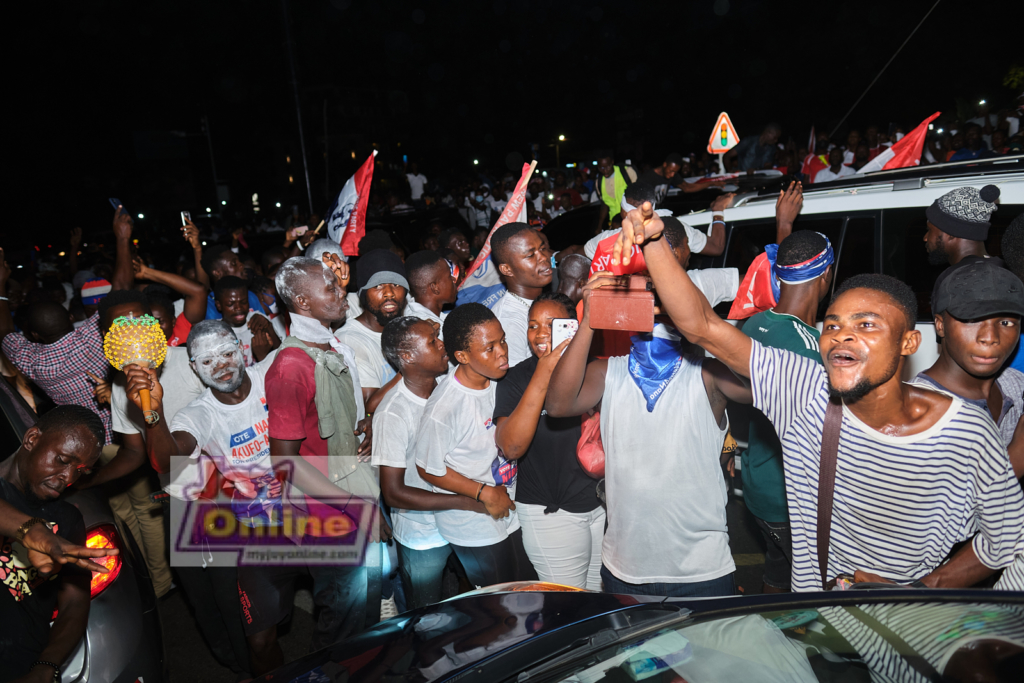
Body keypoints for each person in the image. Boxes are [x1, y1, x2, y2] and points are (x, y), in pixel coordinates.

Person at [610, 202, 1024, 591]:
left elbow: (1005, 539)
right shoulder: (803, 390)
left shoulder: (965, 430)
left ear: (909, 342)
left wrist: (925, 589)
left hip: (909, 632)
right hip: (821, 618)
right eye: (833, 325)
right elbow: (701, 326)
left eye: (866, 325)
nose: (843, 334)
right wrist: (653, 246)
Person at [546, 264, 751, 596]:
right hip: (625, 565)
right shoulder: (608, 371)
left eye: (658, 298)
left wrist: (700, 324)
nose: (650, 308)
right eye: (639, 298)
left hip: (700, 569)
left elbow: (762, 386)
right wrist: (589, 318)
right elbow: (557, 405)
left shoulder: (706, 374)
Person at [252, 256, 378, 673]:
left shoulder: (330, 343)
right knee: (342, 619)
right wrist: (355, 507)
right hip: (328, 514)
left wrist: (365, 426)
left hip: (351, 493)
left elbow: (337, 421)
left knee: (362, 614)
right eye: (331, 288)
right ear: (302, 301)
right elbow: (285, 464)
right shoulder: (290, 366)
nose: (342, 292)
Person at [374, 317, 497, 608]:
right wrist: (468, 501)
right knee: (426, 615)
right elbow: (393, 492)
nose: (442, 345)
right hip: (423, 532)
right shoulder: (393, 412)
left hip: (462, 522)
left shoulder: (448, 387)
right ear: (407, 356)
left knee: (473, 601)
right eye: (432, 342)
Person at [739, 231, 835, 594]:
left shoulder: (755, 324)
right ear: (825, 277)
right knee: (815, 596)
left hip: (757, 491)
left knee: (778, 575)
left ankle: (770, 642)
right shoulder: (814, 348)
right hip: (792, 500)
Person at [414, 303, 535, 587]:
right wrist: (483, 494)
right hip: (471, 519)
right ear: (462, 356)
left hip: (508, 507)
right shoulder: (445, 409)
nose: (502, 351)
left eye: (502, 340)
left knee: (527, 587)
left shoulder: (500, 380)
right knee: (500, 600)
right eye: (489, 348)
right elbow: (428, 469)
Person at [494, 293, 605, 589]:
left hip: (600, 506)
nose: (540, 333)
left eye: (552, 324)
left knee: (599, 599)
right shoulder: (515, 379)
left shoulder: (596, 369)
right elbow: (511, 447)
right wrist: (544, 370)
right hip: (551, 513)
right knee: (569, 606)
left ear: (574, 326)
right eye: (533, 325)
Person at [0, 406, 107, 680]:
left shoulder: (66, 518)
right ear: (32, 439)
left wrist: (47, 666)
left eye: (81, 471)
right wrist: (31, 530)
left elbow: (75, 600)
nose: (69, 478)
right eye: (62, 459)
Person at [911, 260, 1024, 477]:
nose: (989, 338)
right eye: (972, 320)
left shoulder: (1015, 385)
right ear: (940, 325)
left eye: (1006, 323)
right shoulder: (914, 413)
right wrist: (1017, 457)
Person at [335, 249, 409, 403]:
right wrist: (415, 367)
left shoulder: (412, 330)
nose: (389, 293)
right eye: (378, 286)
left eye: (396, 284)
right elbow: (369, 404)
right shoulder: (349, 340)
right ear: (363, 294)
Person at [488, 223, 553, 367]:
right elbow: (518, 386)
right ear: (507, 269)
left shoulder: (545, 300)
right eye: (530, 255)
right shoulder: (508, 324)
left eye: (543, 248)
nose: (544, 257)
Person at [213, 276, 282, 365]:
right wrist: (261, 356)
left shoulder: (256, 319)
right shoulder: (215, 332)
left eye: (244, 302)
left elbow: (281, 353)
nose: (239, 308)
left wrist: (269, 328)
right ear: (219, 305)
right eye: (230, 304)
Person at [200, 245, 266, 320]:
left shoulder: (250, 296)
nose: (242, 265)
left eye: (244, 302)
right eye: (234, 263)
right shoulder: (206, 306)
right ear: (218, 273)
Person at [404, 250, 457, 333]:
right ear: (435, 287)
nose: (454, 279)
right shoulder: (426, 331)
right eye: (449, 276)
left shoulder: (412, 315)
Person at [638, 153, 724, 202]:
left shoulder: (673, 175)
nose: (672, 175)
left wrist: (712, 183)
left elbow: (687, 187)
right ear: (664, 165)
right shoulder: (647, 178)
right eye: (671, 171)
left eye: (675, 172)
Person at [591, 150, 638, 223]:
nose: (605, 171)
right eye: (601, 168)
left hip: (632, 219)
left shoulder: (627, 171)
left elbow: (640, 194)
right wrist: (600, 225)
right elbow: (604, 204)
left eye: (607, 167)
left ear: (612, 162)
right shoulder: (599, 182)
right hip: (614, 223)